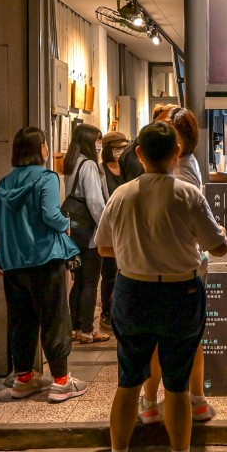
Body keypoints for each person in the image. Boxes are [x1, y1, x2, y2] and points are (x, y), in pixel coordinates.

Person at [96, 122, 227, 452]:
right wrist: (223, 237)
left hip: (132, 292)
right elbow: (217, 246)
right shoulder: (188, 195)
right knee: (177, 384)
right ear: (176, 154)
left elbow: (105, 247)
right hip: (180, 295)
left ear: (138, 154)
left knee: (128, 382)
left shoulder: (122, 194)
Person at [0, 126, 90, 403]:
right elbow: (51, 213)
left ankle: (24, 378)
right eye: (44, 143)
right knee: (54, 319)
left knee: (21, 322)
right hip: (45, 260)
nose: (46, 147)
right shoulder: (47, 178)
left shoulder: (4, 184)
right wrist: (66, 225)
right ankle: (62, 381)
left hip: (12, 263)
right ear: (39, 148)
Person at [139, 107, 217, 425]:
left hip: (167, 268)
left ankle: (151, 402)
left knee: (157, 341)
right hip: (191, 267)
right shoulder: (189, 165)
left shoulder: (176, 178)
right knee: (190, 338)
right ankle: (195, 401)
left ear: (176, 147)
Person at [62, 123, 110, 344]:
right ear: (90, 141)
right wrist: (106, 228)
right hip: (90, 231)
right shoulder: (89, 165)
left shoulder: (71, 163)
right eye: (97, 139)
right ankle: (88, 331)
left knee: (78, 281)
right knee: (91, 282)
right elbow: (95, 201)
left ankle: (75, 327)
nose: (99, 144)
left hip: (74, 231)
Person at [97, 131, 130, 334]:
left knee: (124, 269)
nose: (120, 151)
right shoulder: (101, 171)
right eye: (117, 147)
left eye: (123, 147)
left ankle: (121, 310)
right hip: (110, 225)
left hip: (127, 225)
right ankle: (106, 313)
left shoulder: (127, 168)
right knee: (108, 272)